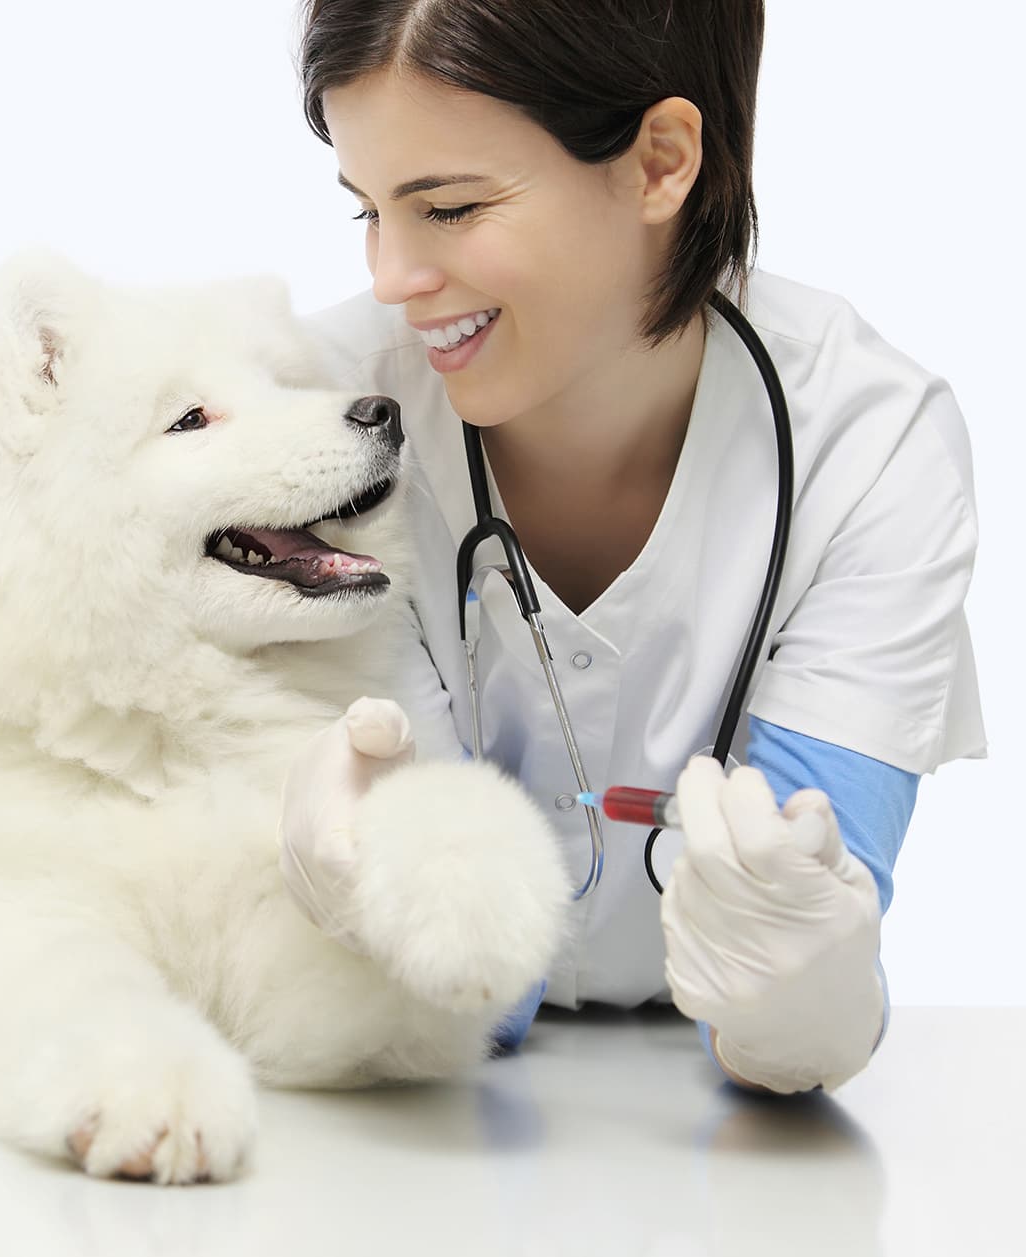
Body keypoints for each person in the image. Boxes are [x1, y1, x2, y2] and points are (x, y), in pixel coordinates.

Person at [279, 0, 986, 1094]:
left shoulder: (869, 444)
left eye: (451, 209)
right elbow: (470, 978)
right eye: (366, 210)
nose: (391, 277)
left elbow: (789, 991)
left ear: (661, 160)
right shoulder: (316, 427)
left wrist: (799, 992)